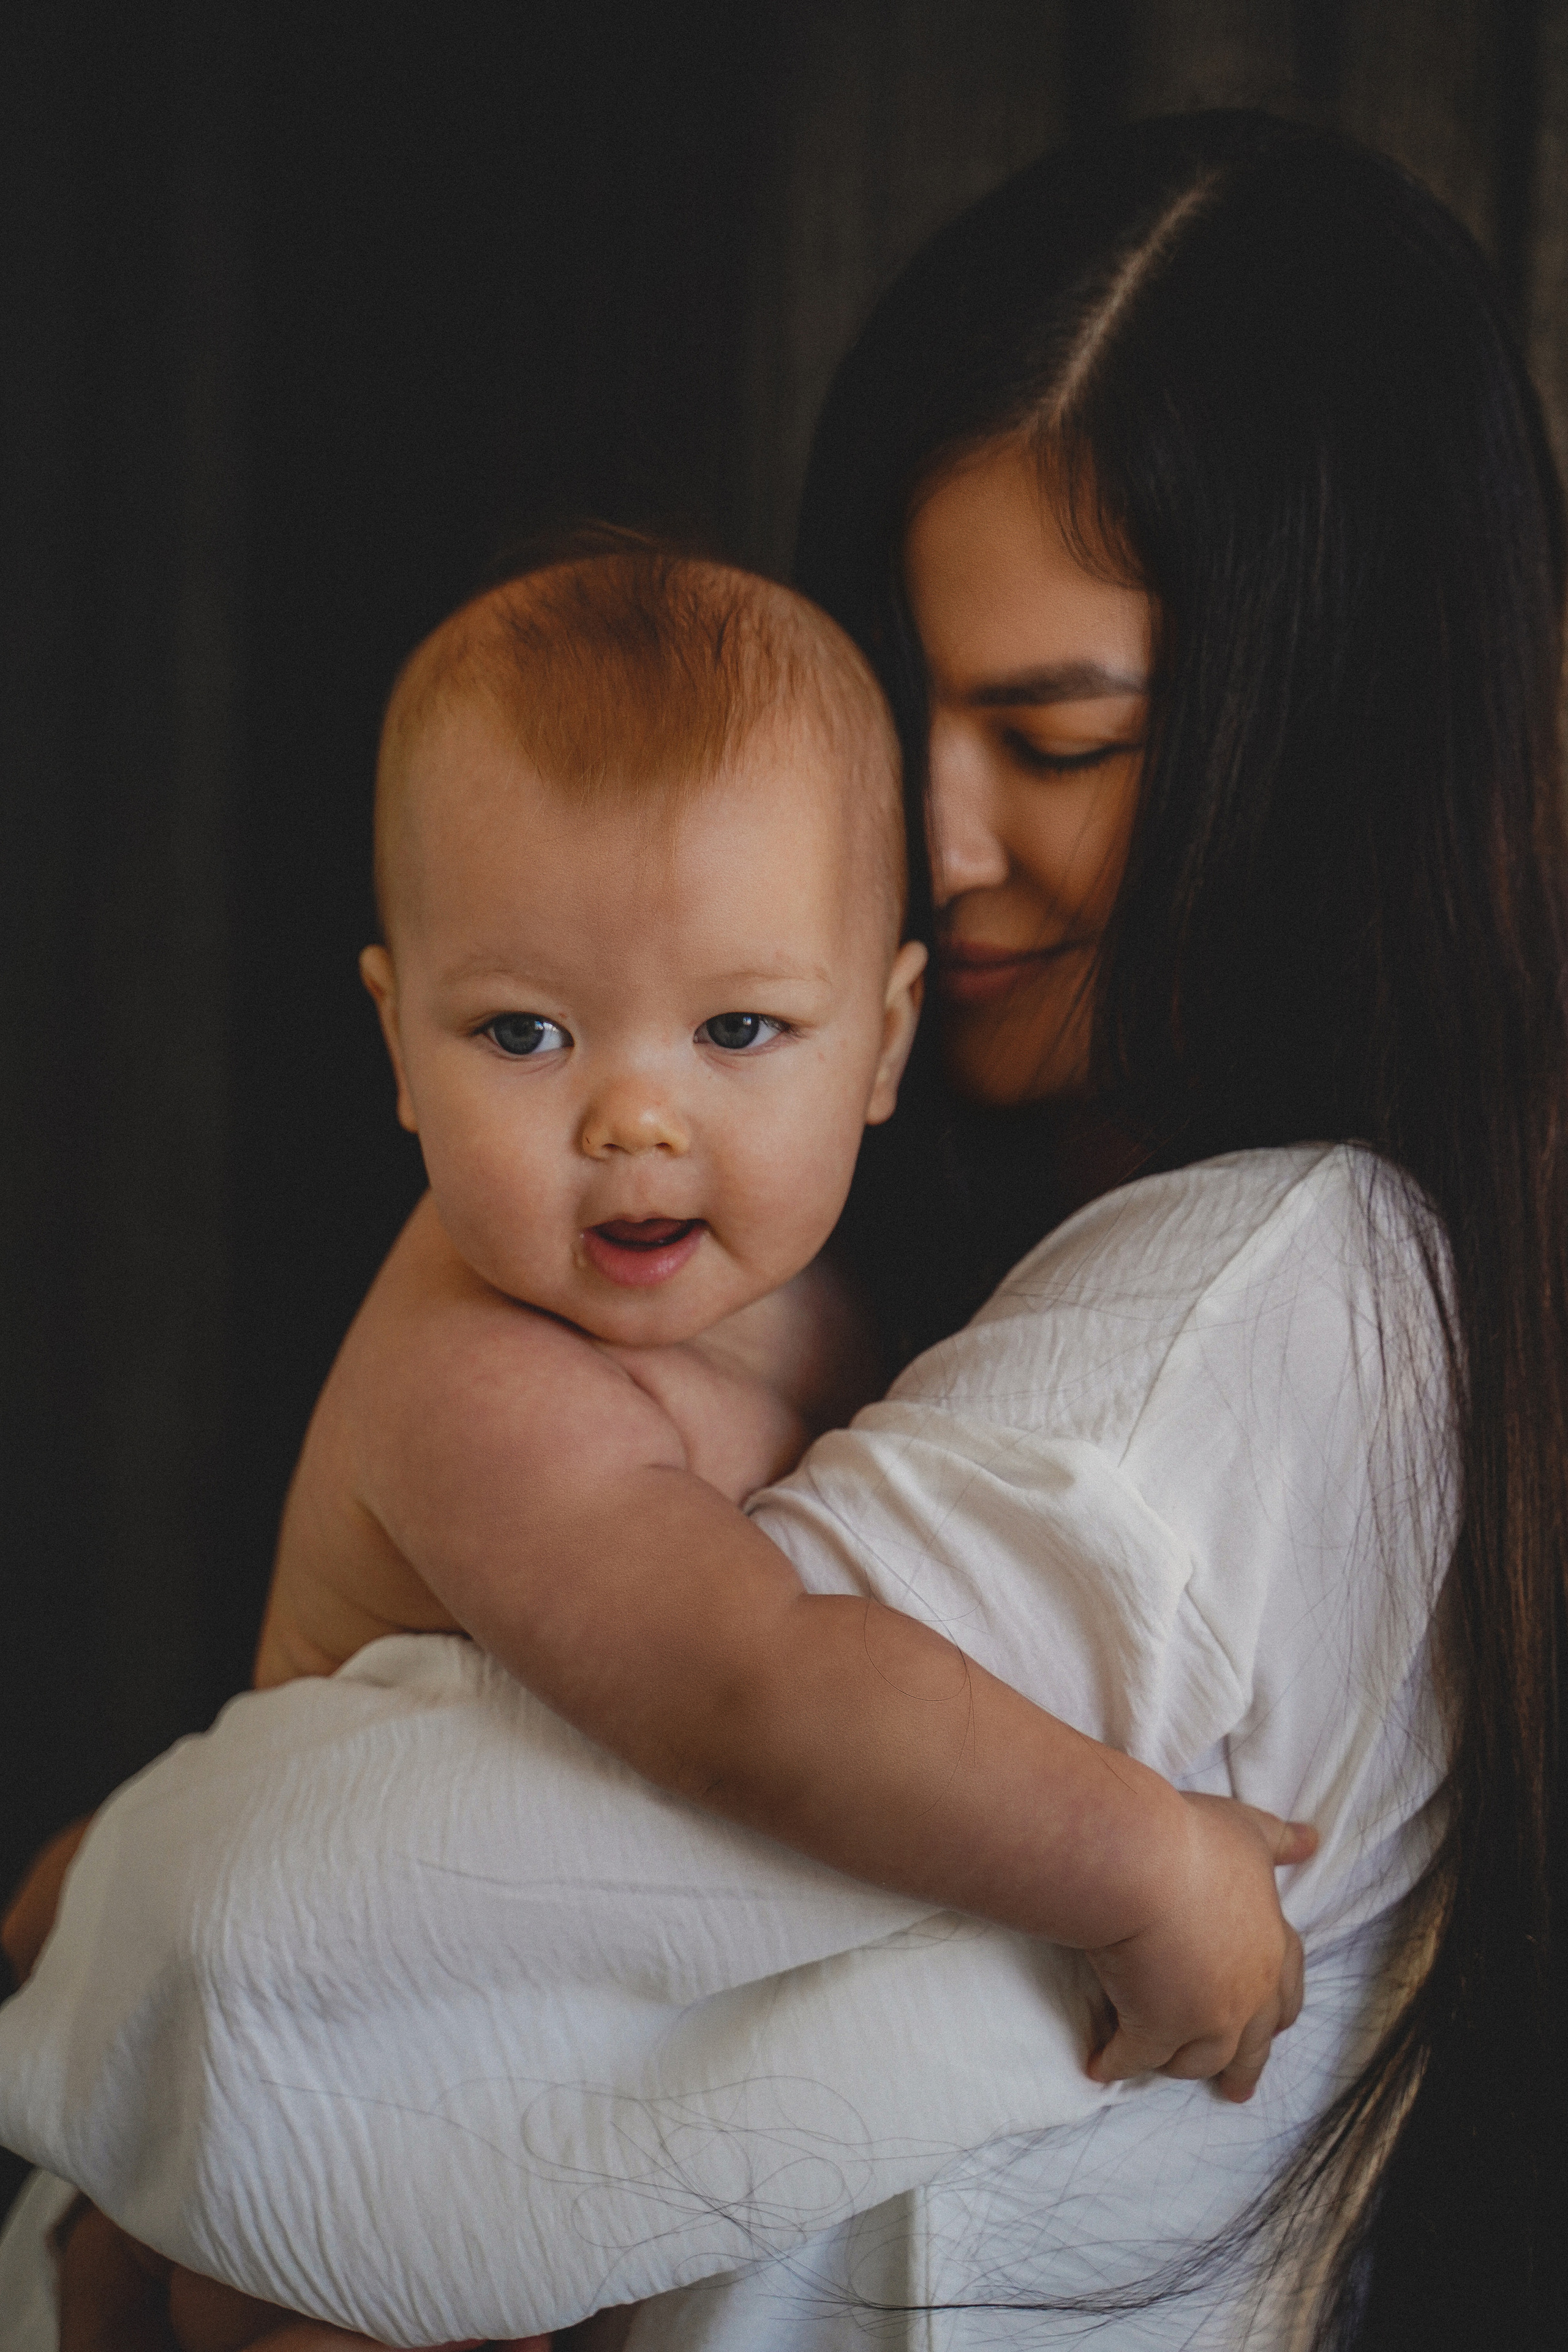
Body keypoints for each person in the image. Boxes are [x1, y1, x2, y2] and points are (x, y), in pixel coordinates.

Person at [2, 105, 1564, 2350]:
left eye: (1056, 735)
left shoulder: (1283, 1298)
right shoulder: (603, 1300)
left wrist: (119, 1891)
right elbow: (694, 1715)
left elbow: (229, 1933)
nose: (927, 836)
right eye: (899, 709)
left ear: (1330, 737)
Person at [2, 545, 1308, 2352]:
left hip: (551, 2075)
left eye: (740, 1028)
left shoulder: (849, 1298)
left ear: (885, 1039)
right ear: (396, 1039)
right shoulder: (483, 1375)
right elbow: (756, 1694)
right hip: (351, 2103)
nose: (633, 1114)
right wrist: (1144, 1865)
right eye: (522, 1032)